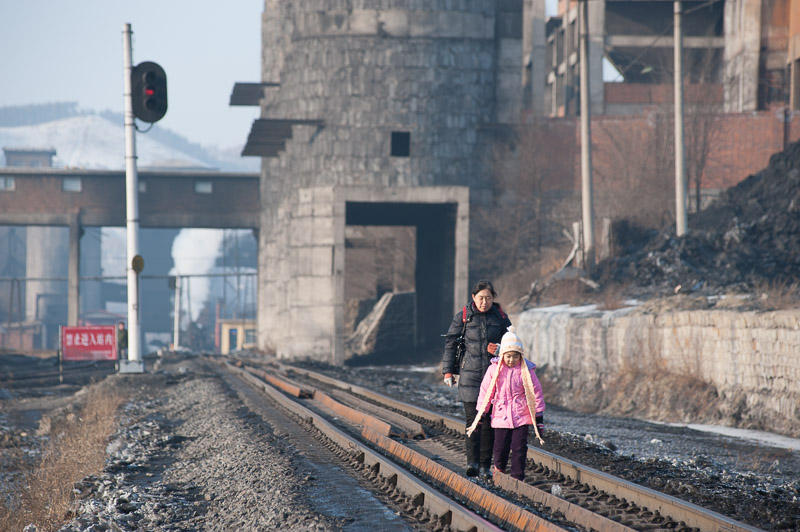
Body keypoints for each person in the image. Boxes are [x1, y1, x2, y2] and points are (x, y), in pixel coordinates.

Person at [441, 280, 511, 478]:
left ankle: (484, 466)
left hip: (494, 378)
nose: (484, 302)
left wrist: (499, 349)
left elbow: (512, 345)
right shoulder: (464, 317)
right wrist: (448, 371)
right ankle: (471, 463)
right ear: (473, 298)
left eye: (488, 298)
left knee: (489, 423)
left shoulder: (501, 317)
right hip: (470, 377)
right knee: (473, 421)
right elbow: (451, 343)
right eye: (481, 298)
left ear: (493, 299)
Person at [467, 326, 545, 481]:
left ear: (520, 356)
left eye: (515, 356)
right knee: (500, 447)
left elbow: (536, 393)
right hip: (500, 415)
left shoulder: (526, 371)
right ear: (502, 354)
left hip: (521, 415)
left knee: (519, 448)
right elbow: (486, 392)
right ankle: (499, 471)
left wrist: (539, 417)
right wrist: (481, 414)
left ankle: (517, 477)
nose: (511, 360)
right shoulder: (494, 370)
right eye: (508, 356)